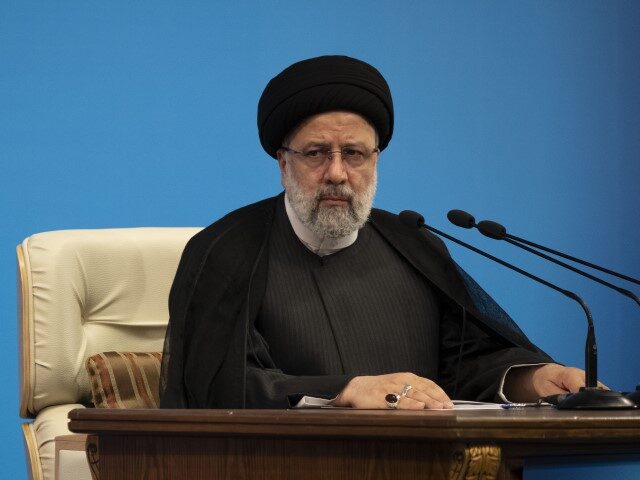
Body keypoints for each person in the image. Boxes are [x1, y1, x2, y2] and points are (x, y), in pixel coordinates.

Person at [160, 55, 590, 410]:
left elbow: (464, 364)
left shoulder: (413, 244)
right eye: (315, 153)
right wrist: (344, 390)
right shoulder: (223, 251)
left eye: (353, 154)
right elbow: (218, 384)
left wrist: (532, 380)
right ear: (282, 163)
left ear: (375, 159)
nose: (336, 173)